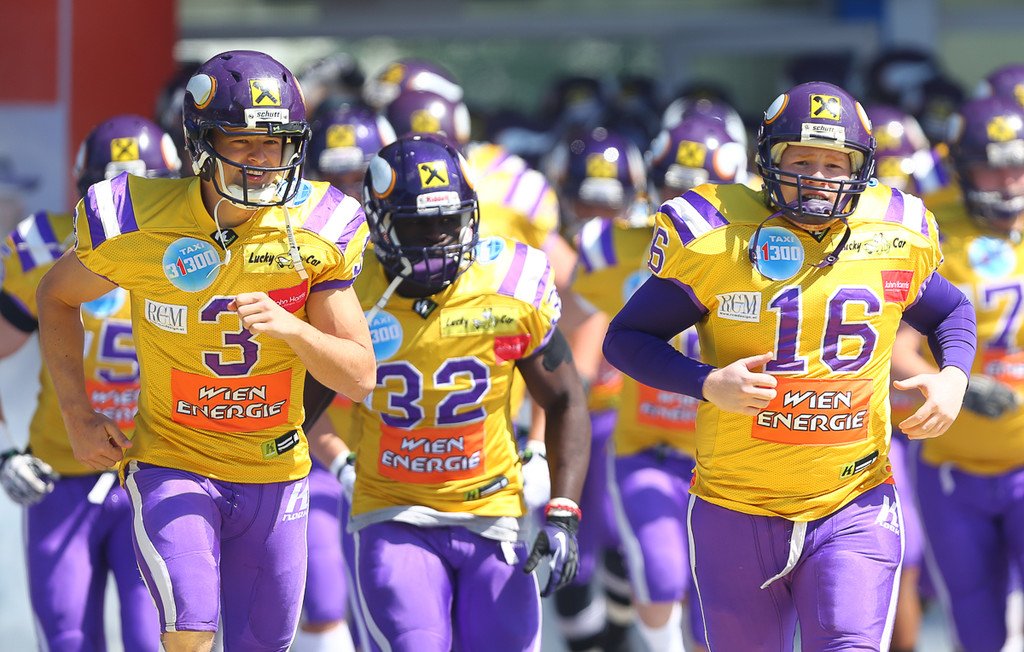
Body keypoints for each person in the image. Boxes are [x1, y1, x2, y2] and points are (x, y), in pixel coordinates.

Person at [603, 81, 976, 650]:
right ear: (768, 160)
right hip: (736, 504)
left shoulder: (895, 233)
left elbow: (951, 311)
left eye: (834, 163)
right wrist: (706, 382)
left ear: (860, 168)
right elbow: (627, 337)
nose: (818, 176)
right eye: (801, 160)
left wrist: (954, 377)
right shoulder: (716, 237)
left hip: (854, 500)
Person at [35, 50, 376, 652]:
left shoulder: (317, 227)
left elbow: (360, 375)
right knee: (189, 625)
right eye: (241, 140)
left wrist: (295, 331)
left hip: (274, 468)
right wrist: (76, 413)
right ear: (200, 142)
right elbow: (56, 295)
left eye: (274, 142)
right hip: (174, 458)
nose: (260, 158)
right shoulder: (137, 220)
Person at [316, 133, 589, 651]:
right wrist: (340, 464)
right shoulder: (348, 288)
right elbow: (300, 400)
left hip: (493, 511)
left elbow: (565, 398)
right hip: (394, 511)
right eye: (417, 224)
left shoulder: (509, 282)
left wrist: (563, 509)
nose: (437, 238)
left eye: (449, 221)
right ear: (378, 222)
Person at [0, 114, 178, 652]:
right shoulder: (43, 246)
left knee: (159, 640)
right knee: (70, 641)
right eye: (111, 191)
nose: (125, 206)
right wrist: (6, 451)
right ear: (84, 191)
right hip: (63, 476)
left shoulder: (196, 252)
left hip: (161, 475)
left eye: (142, 191)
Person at [572, 113, 747, 652]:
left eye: (703, 190)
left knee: (716, 608)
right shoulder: (615, 249)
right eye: (675, 189)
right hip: (646, 449)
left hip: (732, 459)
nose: (687, 203)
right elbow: (565, 334)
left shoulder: (767, 255)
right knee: (661, 573)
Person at [895, 95, 1024, 652]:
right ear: (965, 169)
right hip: (952, 470)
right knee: (976, 627)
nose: (1008, 180)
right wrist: (959, 385)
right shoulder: (933, 237)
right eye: (992, 167)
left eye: (1017, 165)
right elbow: (897, 349)